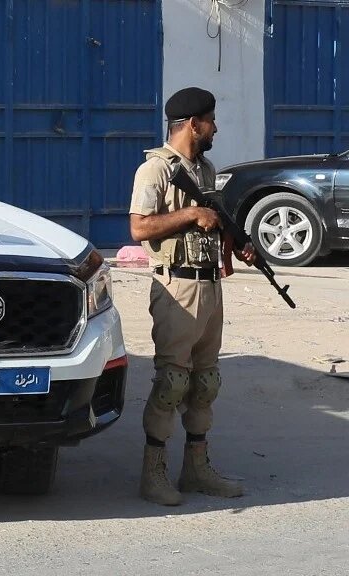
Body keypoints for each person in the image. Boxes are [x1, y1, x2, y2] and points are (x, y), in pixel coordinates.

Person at [128, 86, 257, 507]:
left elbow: (213, 219)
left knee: (205, 382)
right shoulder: (155, 171)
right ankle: (154, 473)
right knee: (172, 381)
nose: (215, 127)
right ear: (192, 124)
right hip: (175, 287)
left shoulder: (205, 169)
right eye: (211, 121)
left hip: (209, 286)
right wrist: (189, 213)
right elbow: (139, 228)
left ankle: (197, 468)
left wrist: (236, 243)